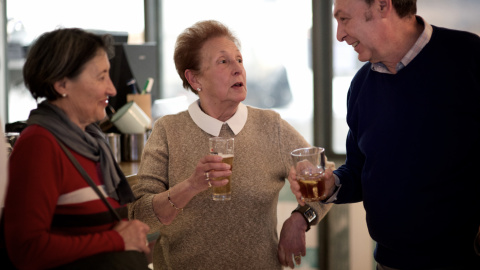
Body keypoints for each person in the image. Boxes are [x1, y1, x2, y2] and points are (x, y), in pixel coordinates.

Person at [287, 0, 480, 269]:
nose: (339, 35)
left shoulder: (468, 57)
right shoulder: (361, 85)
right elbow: (357, 171)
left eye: (344, 19)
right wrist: (331, 186)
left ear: (381, 6)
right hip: (387, 263)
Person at [128, 20, 332, 270]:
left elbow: (329, 178)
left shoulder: (271, 126)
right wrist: (190, 187)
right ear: (194, 79)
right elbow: (140, 216)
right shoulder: (168, 131)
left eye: (239, 60)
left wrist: (301, 219)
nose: (238, 69)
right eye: (223, 62)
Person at [3, 28, 150, 269]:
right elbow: (26, 250)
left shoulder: (92, 142)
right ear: (62, 84)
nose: (112, 89)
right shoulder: (40, 144)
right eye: (101, 77)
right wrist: (116, 240)